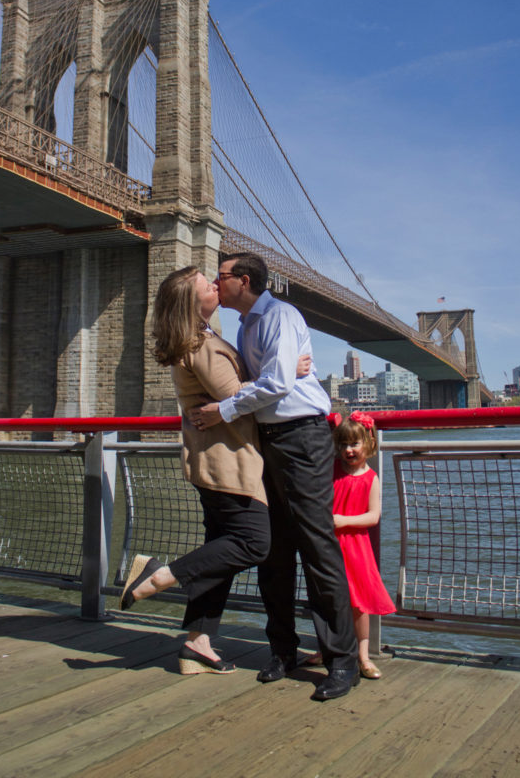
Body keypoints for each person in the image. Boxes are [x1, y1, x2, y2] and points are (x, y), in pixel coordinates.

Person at [191, 252, 359, 701]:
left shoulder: (281, 315)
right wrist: (276, 377)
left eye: (220, 276)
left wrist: (223, 409)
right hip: (268, 441)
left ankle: (341, 662)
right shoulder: (246, 326)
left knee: (317, 547)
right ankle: (282, 650)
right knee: (275, 551)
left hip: (302, 438)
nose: (215, 281)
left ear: (242, 281)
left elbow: (278, 382)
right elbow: (269, 378)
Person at [119, 265, 271, 676]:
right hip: (228, 462)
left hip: (212, 459)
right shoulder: (201, 344)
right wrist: (286, 371)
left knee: (218, 554)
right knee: (255, 543)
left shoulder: (192, 340)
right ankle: (158, 575)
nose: (215, 284)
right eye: (208, 283)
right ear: (192, 300)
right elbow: (237, 397)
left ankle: (197, 644)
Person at [309, 412, 395, 678]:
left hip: (355, 546)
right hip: (329, 544)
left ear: (368, 444)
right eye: (344, 444)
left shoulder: (371, 479)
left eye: (354, 444)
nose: (348, 450)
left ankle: (363, 656)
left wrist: (343, 520)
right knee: (329, 599)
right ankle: (327, 648)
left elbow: (373, 516)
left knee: (358, 604)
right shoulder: (332, 469)